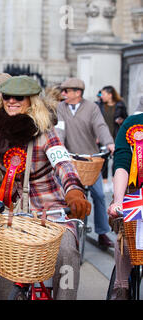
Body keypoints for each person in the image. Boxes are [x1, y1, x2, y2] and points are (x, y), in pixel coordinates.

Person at [0, 76, 91, 300]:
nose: (12, 101)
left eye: (19, 97)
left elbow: (63, 163)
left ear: (31, 101)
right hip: (12, 211)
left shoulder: (45, 131)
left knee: (67, 252)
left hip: (50, 209)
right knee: (1, 256)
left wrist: (74, 192)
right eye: (7, 96)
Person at [56, 77, 115, 249]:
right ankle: (63, 228)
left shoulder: (92, 108)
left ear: (77, 93)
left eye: (66, 91)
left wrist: (109, 143)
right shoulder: (61, 108)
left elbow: (100, 126)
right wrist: (59, 148)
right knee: (62, 193)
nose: (63, 94)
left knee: (98, 194)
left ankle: (102, 233)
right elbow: (59, 130)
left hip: (89, 158)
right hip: (69, 158)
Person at [107, 112, 143, 299]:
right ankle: (121, 288)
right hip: (134, 193)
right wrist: (119, 201)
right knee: (126, 239)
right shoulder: (133, 124)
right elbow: (121, 164)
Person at [97, 85, 128, 187]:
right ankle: (105, 182)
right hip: (103, 136)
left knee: (116, 160)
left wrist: (121, 120)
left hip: (116, 135)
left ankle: (115, 183)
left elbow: (126, 119)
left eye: (103, 94)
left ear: (110, 95)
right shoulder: (99, 105)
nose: (101, 96)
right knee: (104, 160)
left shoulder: (120, 105)